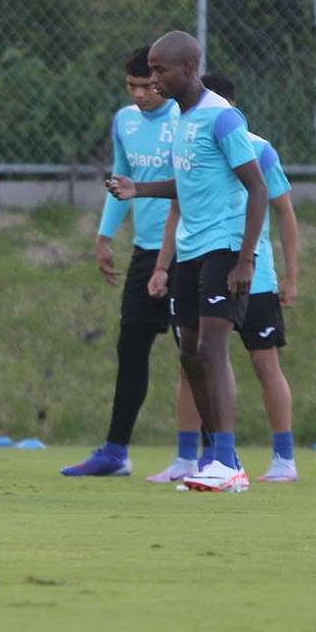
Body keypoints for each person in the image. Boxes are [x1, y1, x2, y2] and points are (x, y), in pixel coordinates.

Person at [107, 31, 268, 493]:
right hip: (191, 248)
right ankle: (224, 459)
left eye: (160, 71)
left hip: (224, 246)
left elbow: (256, 188)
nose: (153, 79)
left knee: (212, 349)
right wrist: (139, 189)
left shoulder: (222, 119)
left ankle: (224, 460)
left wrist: (245, 259)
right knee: (188, 352)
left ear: (188, 69)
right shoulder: (181, 118)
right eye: (150, 70)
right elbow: (187, 184)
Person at [146, 72, 300, 483]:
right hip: (201, 260)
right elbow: (180, 204)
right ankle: (198, 456)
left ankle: (281, 457)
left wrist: (290, 275)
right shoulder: (187, 132)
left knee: (262, 362)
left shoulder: (255, 148)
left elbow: (280, 208)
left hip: (251, 270)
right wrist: (163, 265)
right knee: (193, 356)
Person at [61, 47, 178, 477]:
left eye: (147, 85)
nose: (140, 94)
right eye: (132, 86)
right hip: (146, 252)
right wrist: (104, 235)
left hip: (188, 249)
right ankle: (115, 452)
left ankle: (210, 454)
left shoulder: (185, 120)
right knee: (130, 346)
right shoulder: (124, 121)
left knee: (196, 354)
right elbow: (121, 175)